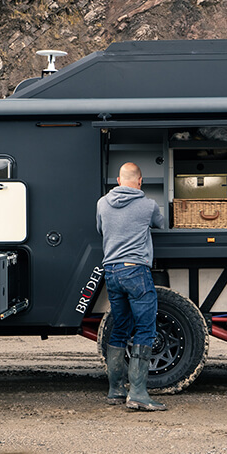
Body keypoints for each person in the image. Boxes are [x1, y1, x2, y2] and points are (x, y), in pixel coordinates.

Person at [95, 162, 166, 411]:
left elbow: (100, 229)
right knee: (145, 329)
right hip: (135, 271)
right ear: (140, 181)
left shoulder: (102, 203)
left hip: (112, 271)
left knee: (120, 328)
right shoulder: (148, 205)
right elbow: (161, 223)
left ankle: (116, 390)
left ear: (118, 180)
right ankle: (138, 393)